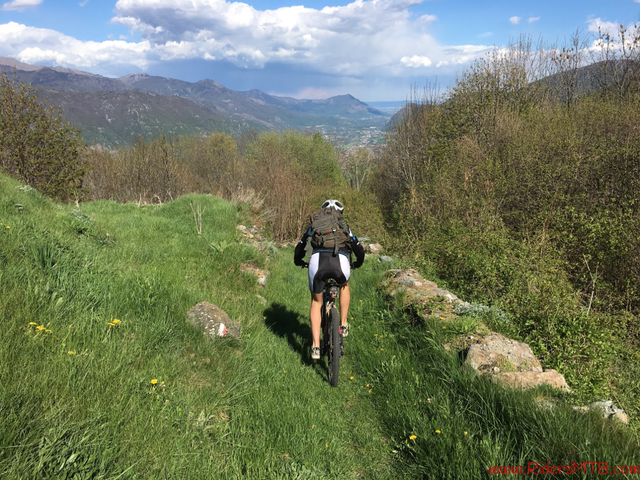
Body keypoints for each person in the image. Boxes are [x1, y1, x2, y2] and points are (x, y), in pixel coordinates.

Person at [294, 199, 365, 360]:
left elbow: (300, 246)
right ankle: (344, 324)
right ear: (339, 212)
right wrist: (358, 263)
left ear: (322, 212)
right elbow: (359, 249)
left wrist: (298, 261)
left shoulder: (316, 224)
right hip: (341, 263)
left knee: (316, 302)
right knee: (344, 285)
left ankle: (315, 347)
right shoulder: (344, 226)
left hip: (318, 264)